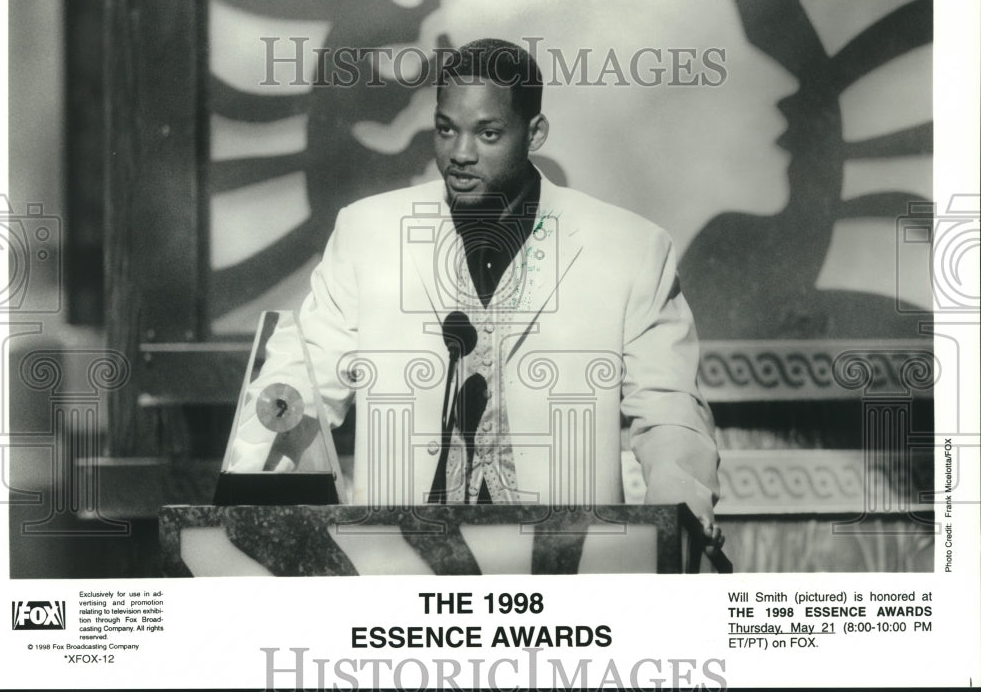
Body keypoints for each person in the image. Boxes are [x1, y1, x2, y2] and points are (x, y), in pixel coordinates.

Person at [234, 38, 722, 548]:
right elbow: (302, 375)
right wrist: (247, 494)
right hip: (399, 567)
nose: (461, 154)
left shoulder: (631, 248)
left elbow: (671, 410)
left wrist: (679, 522)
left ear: (535, 133)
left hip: (568, 571)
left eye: (488, 133)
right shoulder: (367, 232)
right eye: (446, 129)